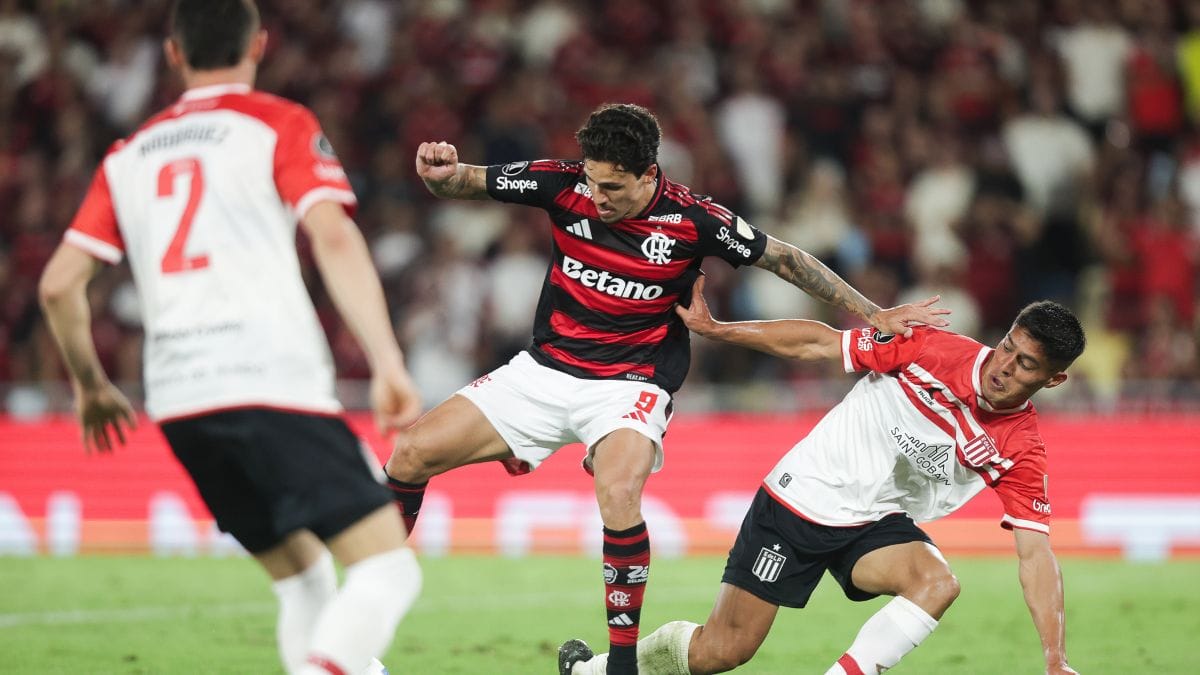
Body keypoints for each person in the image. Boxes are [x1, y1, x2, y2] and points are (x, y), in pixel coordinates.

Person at [387, 103, 949, 674]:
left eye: (613, 187)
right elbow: (468, 181)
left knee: (619, 492)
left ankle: (622, 666)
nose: (598, 197)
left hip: (630, 384)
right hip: (545, 370)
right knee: (408, 454)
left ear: (649, 174)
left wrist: (870, 310)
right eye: (591, 181)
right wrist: (441, 174)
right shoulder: (562, 183)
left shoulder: (694, 219)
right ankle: (371, 604)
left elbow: (784, 258)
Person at [37, 2, 422, 673]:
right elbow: (331, 233)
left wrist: (91, 384)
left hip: (181, 398)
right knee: (390, 571)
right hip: (269, 379)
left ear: (174, 54)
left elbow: (57, 285)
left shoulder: (128, 155)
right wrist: (388, 358)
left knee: (303, 578)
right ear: (260, 46)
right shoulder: (277, 122)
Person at [559, 276, 1084, 675]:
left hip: (875, 521)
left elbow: (1036, 554)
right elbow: (818, 343)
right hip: (802, 500)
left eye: (1026, 365)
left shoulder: (1021, 448)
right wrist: (718, 330)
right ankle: (592, 671)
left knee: (937, 582)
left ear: (1054, 379)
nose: (1004, 367)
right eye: (1007, 347)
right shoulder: (929, 349)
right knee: (724, 650)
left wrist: (1055, 658)